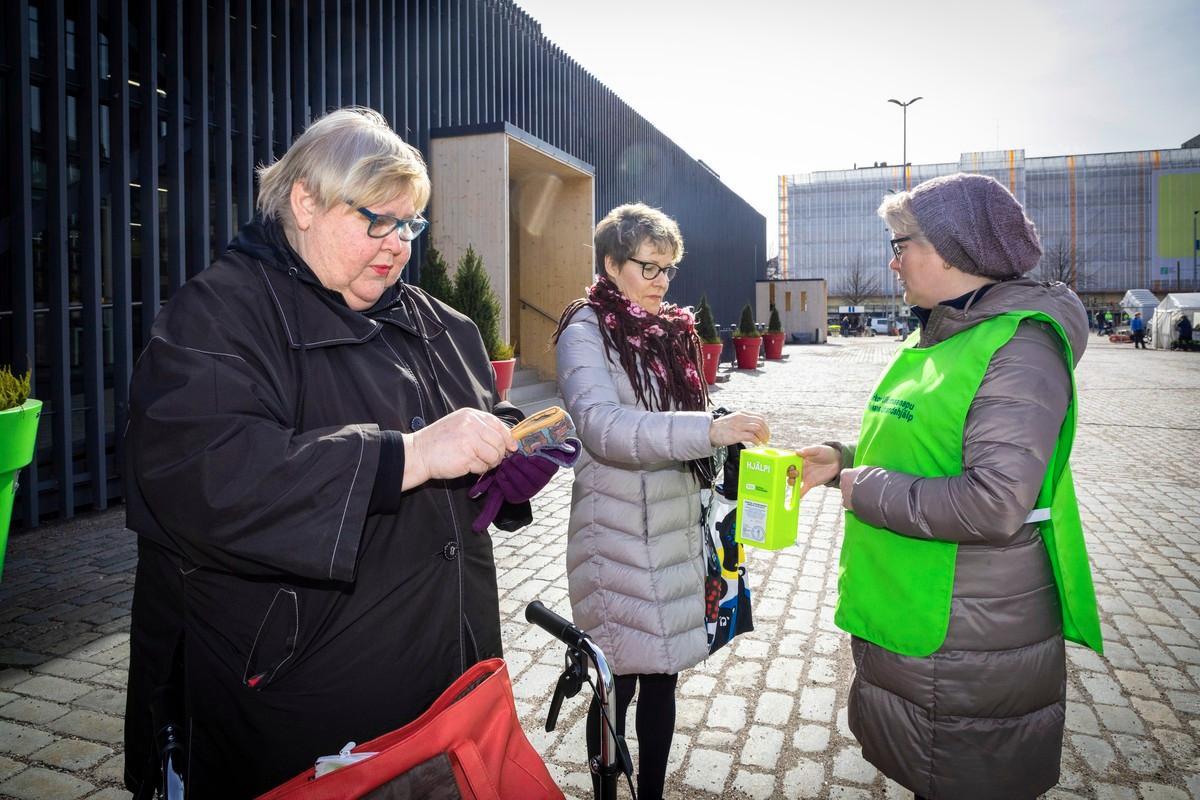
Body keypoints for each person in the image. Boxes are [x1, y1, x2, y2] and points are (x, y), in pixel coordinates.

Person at [123, 108, 561, 797]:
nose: (397, 245)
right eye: (376, 220)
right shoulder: (218, 314)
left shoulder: (442, 324)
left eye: (410, 224)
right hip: (299, 718)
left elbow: (473, 415)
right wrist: (407, 456)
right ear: (305, 201)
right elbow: (205, 480)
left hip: (451, 685)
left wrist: (504, 451)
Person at [797, 173, 1103, 800]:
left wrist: (865, 488)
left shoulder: (1018, 347)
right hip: (925, 613)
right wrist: (838, 460)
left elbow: (993, 502)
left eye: (901, 241)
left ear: (952, 247)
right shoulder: (943, 332)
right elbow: (928, 450)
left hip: (969, 633)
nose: (893, 259)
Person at [553, 203, 768, 800]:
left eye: (669, 270)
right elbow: (603, 427)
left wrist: (719, 430)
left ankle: (650, 792)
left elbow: (672, 420)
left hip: (673, 529)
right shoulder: (586, 329)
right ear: (610, 263)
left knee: (664, 674)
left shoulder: (669, 331)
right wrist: (706, 430)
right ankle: (606, 788)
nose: (660, 282)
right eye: (648, 267)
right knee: (617, 676)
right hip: (617, 534)